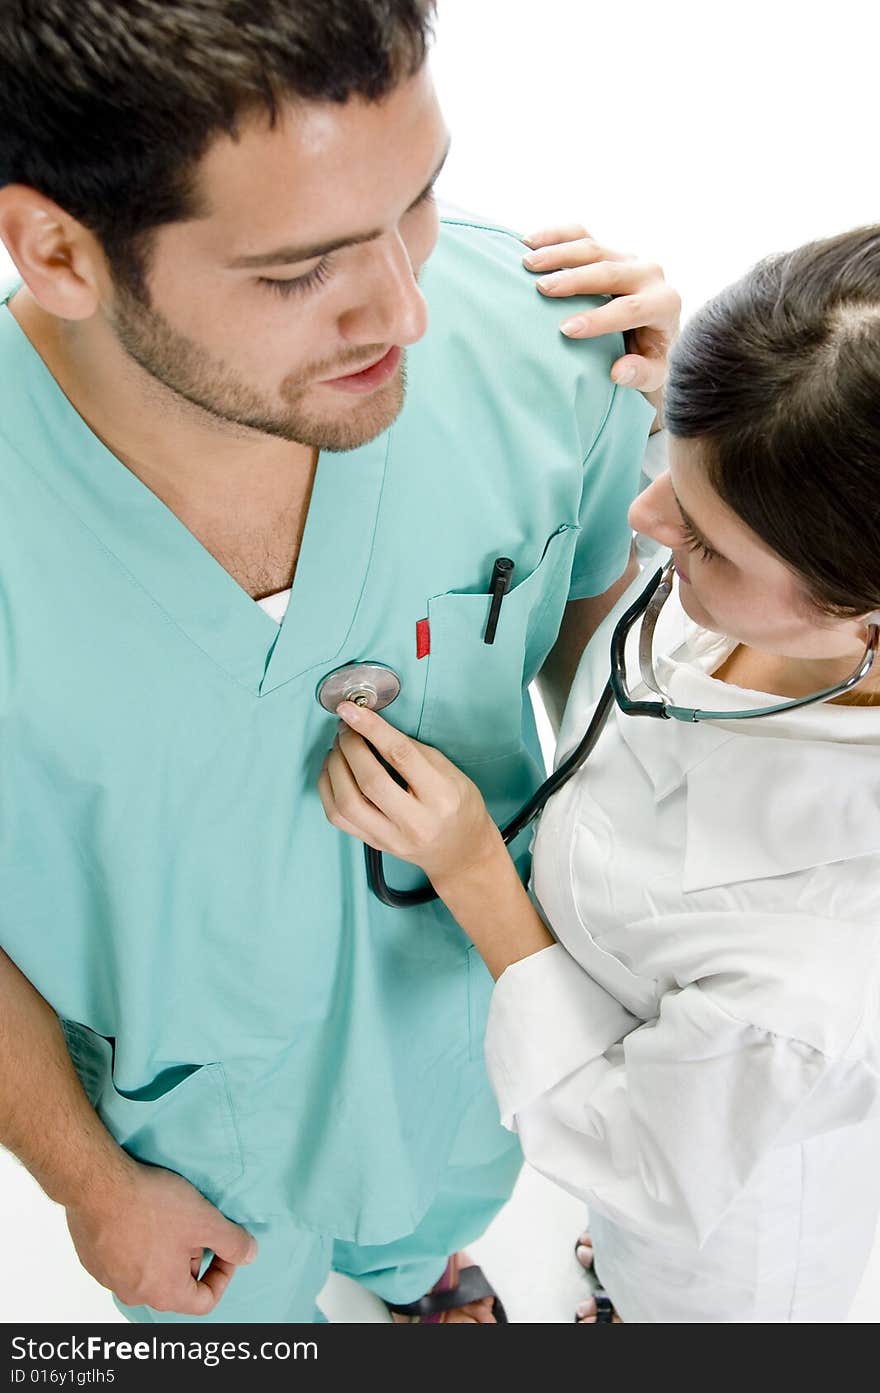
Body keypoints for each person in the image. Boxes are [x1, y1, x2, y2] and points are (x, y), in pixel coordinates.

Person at [0, 1, 680, 1323]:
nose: (410, 310)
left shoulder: (553, 349)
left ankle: (420, 1274)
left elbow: (615, 676)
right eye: (300, 270)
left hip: (457, 1050)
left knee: (431, 1216)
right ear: (60, 251)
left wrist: (708, 439)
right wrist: (87, 1183)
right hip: (178, 1150)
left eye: (419, 200)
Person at [320, 224, 880, 1323]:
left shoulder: (818, 962)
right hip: (674, 1091)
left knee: (668, 1286)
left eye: (707, 541)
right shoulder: (799, 569)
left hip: (714, 1235)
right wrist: (701, 409)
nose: (643, 515)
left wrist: (473, 868)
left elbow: (639, 1153)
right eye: (675, 461)